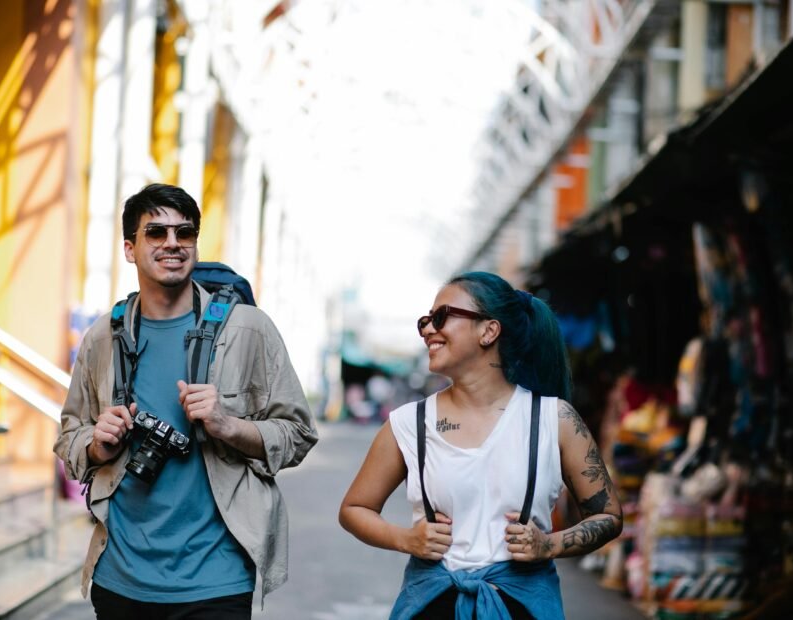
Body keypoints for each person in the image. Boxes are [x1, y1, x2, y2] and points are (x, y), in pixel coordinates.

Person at [54, 183, 318, 619]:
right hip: (119, 575)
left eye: (185, 233)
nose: (173, 243)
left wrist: (226, 424)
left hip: (217, 579)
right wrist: (97, 444)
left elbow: (299, 434)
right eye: (156, 233)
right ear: (130, 248)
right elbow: (69, 436)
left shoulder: (247, 330)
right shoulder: (104, 336)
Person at [339, 272, 622, 619]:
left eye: (441, 317)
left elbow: (608, 516)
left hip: (523, 606)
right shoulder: (408, 423)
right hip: (432, 605)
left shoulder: (554, 419)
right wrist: (405, 539)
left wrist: (549, 544)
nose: (428, 329)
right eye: (425, 321)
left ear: (489, 330)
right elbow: (355, 508)